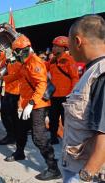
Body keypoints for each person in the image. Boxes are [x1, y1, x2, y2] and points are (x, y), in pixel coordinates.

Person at [5, 35, 61, 181]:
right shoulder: (25, 63)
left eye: (17, 52)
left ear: (24, 50)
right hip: (27, 104)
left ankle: (53, 168)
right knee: (20, 130)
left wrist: (30, 104)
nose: (15, 55)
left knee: (39, 137)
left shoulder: (35, 62)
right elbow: (17, 75)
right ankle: (19, 153)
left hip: (37, 105)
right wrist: (0, 79)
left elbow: (41, 85)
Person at [62, 14, 105, 183]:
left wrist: (85, 176)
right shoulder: (92, 71)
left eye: (68, 44)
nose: (68, 50)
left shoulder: (101, 74)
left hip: (85, 172)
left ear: (77, 41)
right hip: (77, 163)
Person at [47, 36, 79, 144]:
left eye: (56, 46)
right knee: (53, 118)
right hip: (54, 95)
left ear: (64, 48)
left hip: (66, 96)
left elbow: (75, 77)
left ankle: (69, 140)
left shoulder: (69, 60)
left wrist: (72, 94)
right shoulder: (52, 61)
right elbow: (43, 68)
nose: (53, 48)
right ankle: (53, 137)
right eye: (53, 46)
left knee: (67, 120)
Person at [0, 52, 22, 145]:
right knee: (12, 114)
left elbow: (15, 76)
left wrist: (2, 78)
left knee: (6, 114)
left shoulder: (17, 62)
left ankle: (11, 136)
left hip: (13, 91)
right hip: (8, 90)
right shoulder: (9, 60)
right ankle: (15, 135)